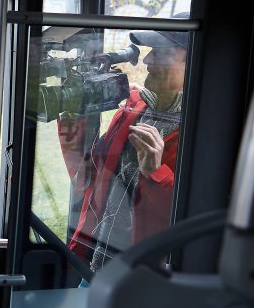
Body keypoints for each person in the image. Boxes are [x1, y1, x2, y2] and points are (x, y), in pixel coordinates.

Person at [59, 14, 190, 272]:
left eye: (161, 53)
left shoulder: (205, 131)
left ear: (192, 60)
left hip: (146, 278)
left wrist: (155, 172)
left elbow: (191, 220)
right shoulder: (131, 112)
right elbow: (86, 175)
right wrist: (76, 112)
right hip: (97, 263)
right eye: (151, 51)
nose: (147, 59)